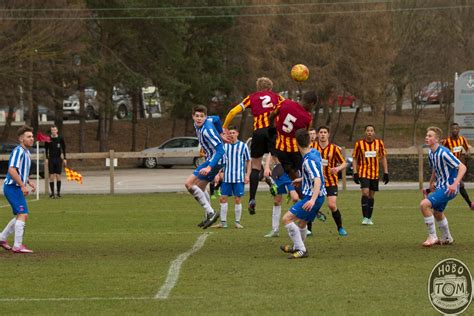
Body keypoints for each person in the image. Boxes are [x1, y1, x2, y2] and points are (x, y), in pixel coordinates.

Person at [222, 77, 284, 214]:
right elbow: (288, 109)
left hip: (259, 132)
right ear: (270, 88)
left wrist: (224, 127)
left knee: (256, 166)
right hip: (273, 132)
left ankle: (252, 198)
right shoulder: (277, 97)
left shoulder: (252, 97)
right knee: (279, 162)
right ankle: (282, 186)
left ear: (258, 87)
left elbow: (233, 112)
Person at [279, 128, 326, 259]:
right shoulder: (315, 153)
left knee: (286, 219)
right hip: (319, 197)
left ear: (297, 144)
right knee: (302, 223)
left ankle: (300, 249)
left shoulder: (307, 161)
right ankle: (297, 246)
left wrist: (312, 200)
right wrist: (302, 178)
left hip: (313, 197)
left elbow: (317, 180)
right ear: (310, 141)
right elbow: (318, 174)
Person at [420, 127, 466, 247]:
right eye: (426, 135)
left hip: (449, 188)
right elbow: (435, 168)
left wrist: (455, 184)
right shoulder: (431, 152)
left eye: (430, 136)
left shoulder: (444, 153)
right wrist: (431, 182)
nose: (427, 137)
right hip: (440, 186)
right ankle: (447, 238)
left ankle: (432, 236)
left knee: (424, 205)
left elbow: (462, 167)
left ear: (436, 140)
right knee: (437, 212)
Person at [184, 105, 227, 229]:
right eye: (197, 116)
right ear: (193, 116)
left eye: (202, 116)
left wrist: (209, 167)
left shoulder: (207, 131)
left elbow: (220, 150)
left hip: (215, 160)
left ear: (205, 117)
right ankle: (209, 215)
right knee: (199, 188)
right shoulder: (206, 121)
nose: (199, 118)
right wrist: (220, 132)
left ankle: (211, 213)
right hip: (213, 159)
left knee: (189, 184)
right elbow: (217, 118)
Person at [0, 126, 36, 253]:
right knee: (23, 214)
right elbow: (12, 169)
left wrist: (28, 181)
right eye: (29, 137)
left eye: (32, 136)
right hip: (12, 187)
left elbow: (21, 170)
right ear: (21, 139)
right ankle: (17, 246)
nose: (32, 139)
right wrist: (22, 185)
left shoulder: (26, 152)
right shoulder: (18, 151)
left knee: (20, 215)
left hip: (16, 187)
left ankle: (2, 238)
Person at [270, 91, 318, 182]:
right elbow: (304, 136)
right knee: (305, 175)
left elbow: (272, 115)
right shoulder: (307, 118)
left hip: (280, 148)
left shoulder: (285, 103)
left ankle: (296, 190)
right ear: (311, 104)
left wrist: (273, 127)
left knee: (291, 173)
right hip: (295, 151)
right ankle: (306, 192)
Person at [211, 126, 251, 229]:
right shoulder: (224, 147)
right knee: (223, 198)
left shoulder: (243, 146)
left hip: (238, 178)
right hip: (227, 178)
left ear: (237, 133)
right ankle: (223, 222)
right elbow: (221, 161)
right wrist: (217, 173)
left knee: (237, 199)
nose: (231, 134)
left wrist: (247, 175)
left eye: (233, 133)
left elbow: (248, 160)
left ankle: (237, 222)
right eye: (230, 133)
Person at [312, 126, 348, 236]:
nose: (323, 134)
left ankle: (340, 227)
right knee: (312, 205)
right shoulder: (312, 147)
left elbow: (344, 163)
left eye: (325, 132)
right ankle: (308, 229)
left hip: (331, 181)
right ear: (318, 134)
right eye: (321, 132)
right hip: (316, 182)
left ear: (328, 134)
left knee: (332, 205)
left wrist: (337, 168)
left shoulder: (334, 149)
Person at [352, 124, 389, 225]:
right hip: (363, 172)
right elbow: (355, 158)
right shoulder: (359, 144)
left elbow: (383, 157)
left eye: (371, 130)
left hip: (374, 174)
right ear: (365, 132)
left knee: (371, 196)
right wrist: (355, 173)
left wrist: (386, 172)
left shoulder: (379, 143)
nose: (369, 132)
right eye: (368, 130)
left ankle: (369, 218)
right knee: (365, 193)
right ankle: (364, 217)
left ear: (374, 132)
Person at [263, 154, 299, 238]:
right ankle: (275, 229)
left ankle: (302, 225)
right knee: (277, 201)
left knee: (295, 198)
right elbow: (270, 153)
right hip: (278, 172)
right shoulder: (275, 142)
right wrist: (267, 167)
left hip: (289, 171)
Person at [441, 122, 474, 210]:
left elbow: (467, 149)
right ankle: (470, 204)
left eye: (456, 128)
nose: (454, 130)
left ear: (459, 130)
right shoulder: (447, 141)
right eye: (453, 129)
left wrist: (467, 156)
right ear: (450, 130)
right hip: (449, 166)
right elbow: (441, 151)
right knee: (459, 185)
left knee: (456, 185)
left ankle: (429, 192)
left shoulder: (462, 139)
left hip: (457, 166)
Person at [45, 125, 67, 198]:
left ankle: (58, 192)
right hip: (51, 159)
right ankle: (52, 193)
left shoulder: (60, 138)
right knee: (51, 176)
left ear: (57, 131)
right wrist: (47, 158)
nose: (53, 131)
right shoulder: (48, 139)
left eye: (55, 130)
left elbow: (64, 149)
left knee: (58, 175)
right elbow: (46, 149)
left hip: (58, 159)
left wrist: (64, 158)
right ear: (51, 131)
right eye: (52, 130)